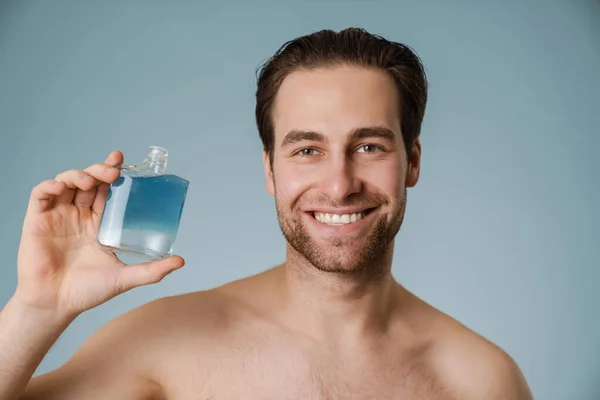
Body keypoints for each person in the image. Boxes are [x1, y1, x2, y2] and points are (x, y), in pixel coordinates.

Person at [0, 27, 533, 400]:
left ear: (412, 161)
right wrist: (38, 308)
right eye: (307, 150)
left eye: (369, 146)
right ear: (270, 170)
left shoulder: (483, 382)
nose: (340, 184)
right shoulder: (164, 342)